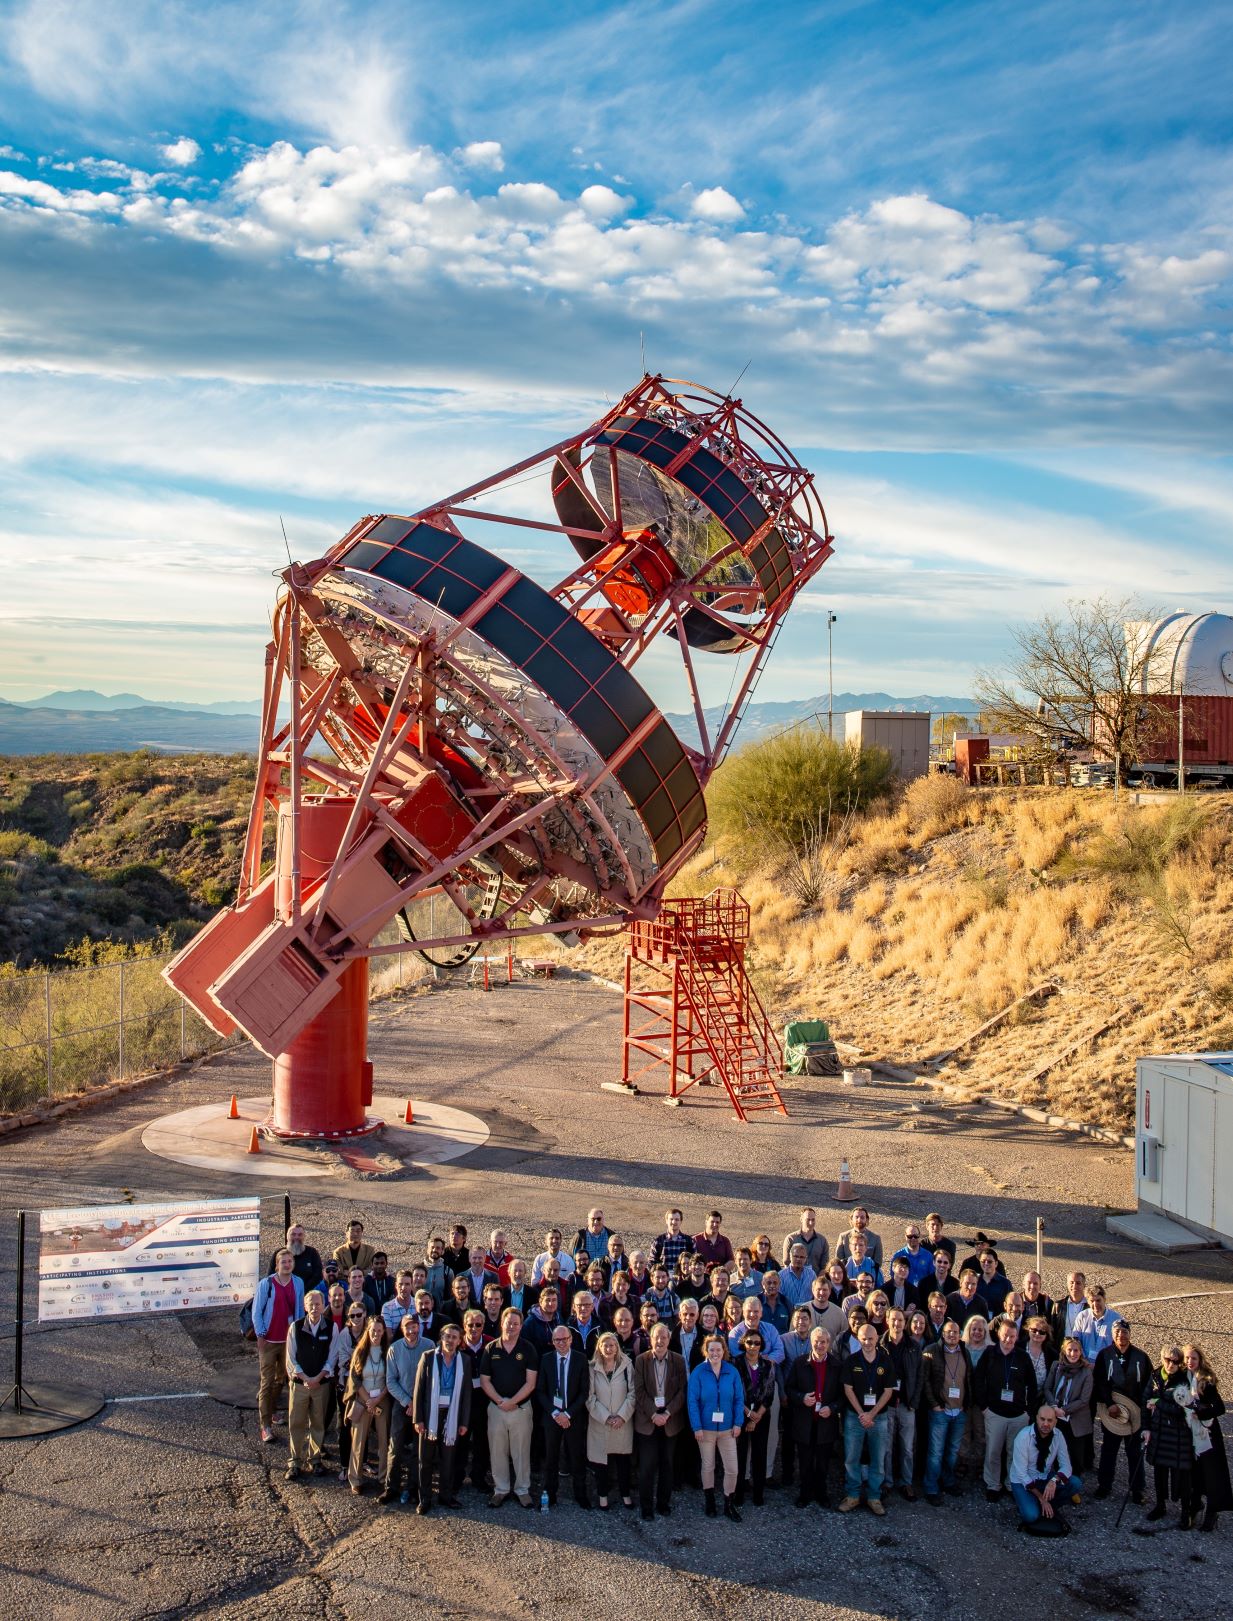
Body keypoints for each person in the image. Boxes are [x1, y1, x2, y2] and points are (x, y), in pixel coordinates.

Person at [479, 1308, 538, 1508]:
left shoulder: (528, 1348)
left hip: (520, 1409)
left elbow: (531, 1383)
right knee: (497, 1450)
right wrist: (500, 1401)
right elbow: (485, 1380)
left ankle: (522, 1490)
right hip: (496, 1408)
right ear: (502, 1323)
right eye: (508, 1322)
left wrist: (513, 1402)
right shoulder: (491, 1348)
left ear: (521, 1326)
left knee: (521, 1451)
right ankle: (501, 1489)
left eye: (515, 1323)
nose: (511, 1326)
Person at [974, 1317, 1036, 1500]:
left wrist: (1029, 1412)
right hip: (994, 1412)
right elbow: (978, 1380)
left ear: (1017, 1337)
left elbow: (1032, 1385)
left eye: (1012, 1336)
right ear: (999, 1335)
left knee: (1014, 1452)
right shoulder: (990, 1353)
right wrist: (984, 1407)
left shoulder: (1023, 1357)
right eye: (1006, 1336)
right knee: (993, 1451)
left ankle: (1011, 1484)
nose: (1009, 1340)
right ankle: (993, 1484)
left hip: (1018, 1415)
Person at [412, 1321, 470, 1513]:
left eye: (455, 1337)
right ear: (441, 1337)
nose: (450, 1340)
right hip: (430, 1415)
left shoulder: (465, 1361)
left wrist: (463, 1421)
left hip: (451, 1416)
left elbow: (466, 1394)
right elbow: (419, 1389)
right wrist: (418, 1419)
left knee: (448, 1459)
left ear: (460, 1340)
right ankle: (425, 1499)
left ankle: (445, 1496)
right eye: (447, 1336)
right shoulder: (428, 1357)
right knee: (425, 1459)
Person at [1093, 1316, 1152, 1501]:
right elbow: (1100, 1382)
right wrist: (1109, 1404)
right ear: (1112, 1334)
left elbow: (1148, 1385)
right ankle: (1104, 1485)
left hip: (1134, 1410)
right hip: (1112, 1410)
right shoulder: (1104, 1355)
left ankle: (1137, 1489)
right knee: (1109, 1449)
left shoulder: (1141, 1357)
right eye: (1117, 1332)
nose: (1121, 1335)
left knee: (1134, 1452)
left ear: (1130, 1334)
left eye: (1125, 1332)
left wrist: (1143, 1410)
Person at [839, 1321, 895, 1515]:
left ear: (877, 1338)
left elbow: (888, 1391)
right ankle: (853, 1495)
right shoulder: (852, 1361)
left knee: (878, 1459)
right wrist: (862, 1413)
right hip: (855, 1417)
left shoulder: (885, 1361)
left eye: (871, 1338)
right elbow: (847, 1389)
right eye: (863, 1338)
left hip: (878, 1417)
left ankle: (874, 1497)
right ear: (859, 1339)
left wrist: (871, 1414)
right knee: (851, 1458)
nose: (868, 1342)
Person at [687, 1333, 744, 1521]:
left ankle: (729, 1503)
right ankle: (709, 1500)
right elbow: (692, 1401)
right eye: (711, 1349)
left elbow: (738, 1399)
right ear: (706, 1350)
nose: (715, 1353)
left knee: (732, 1469)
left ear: (724, 1351)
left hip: (728, 1429)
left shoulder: (731, 1371)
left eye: (718, 1349)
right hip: (706, 1429)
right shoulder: (698, 1372)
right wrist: (697, 1427)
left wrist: (738, 1423)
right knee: (708, 1466)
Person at [634, 1321, 687, 1520]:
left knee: (667, 1465)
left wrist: (667, 1414)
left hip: (670, 1422)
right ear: (651, 1339)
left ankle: (663, 1504)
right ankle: (646, 1507)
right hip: (648, 1422)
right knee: (647, 1466)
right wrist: (653, 1414)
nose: (660, 1341)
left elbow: (682, 1391)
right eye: (657, 1337)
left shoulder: (678, 1360)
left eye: (664, 1337)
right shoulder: (641, 1360)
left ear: (669, 1339)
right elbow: (639, 1391)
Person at [787, 1326, 842, 1507]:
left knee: (823, 1463)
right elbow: (789, 1389)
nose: (820, 1345)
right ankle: (805, 1493)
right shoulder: (799, 1362)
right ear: (811, 1343)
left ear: (829, 1343)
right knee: (805, 1461)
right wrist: (801, 1398)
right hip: (805, 1421)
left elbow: (843, 1396)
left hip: (826, 1422)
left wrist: (833, 1408)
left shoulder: (836, 1365)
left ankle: (821, 1493)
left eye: (823, 1342)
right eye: (816, 1341)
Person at [254, 1249, 305, 1444]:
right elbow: (257, 1312)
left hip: (288, 1340)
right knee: (266, 1383)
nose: (287, 1264)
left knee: (281, 1379)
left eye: (290, 1261)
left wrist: (298, 1335)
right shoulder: (266, 1284)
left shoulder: (298, 1282)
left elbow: (299, 1309)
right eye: (283, 1261)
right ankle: (265, 1425)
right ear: (277, 1265)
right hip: (269, 1341)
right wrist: (261, 1334)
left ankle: (273, 1410)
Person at [284, 1288, 336, 1481]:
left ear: (323, 1306)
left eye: (318, 1304)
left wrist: (318, 1378)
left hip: (321, 1385)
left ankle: (315, 1460)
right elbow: (290, 1358)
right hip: (299, 1385)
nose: (314, 1308)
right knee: (296, 1423)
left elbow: (332, 1357)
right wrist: (305, 1378)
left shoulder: (331, 1328)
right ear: (305, 1307)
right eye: (311, 1304)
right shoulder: (295, 1327)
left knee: (318, 1422)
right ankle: (295, 1462)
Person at [1181, 1343, 1232, 1533]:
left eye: (1193, 1358)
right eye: (1187, 1358)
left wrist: (1201, 1412)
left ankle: (1212, 1511)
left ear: (1200, 1360)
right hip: (1189, 1431)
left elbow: (1220, 1408)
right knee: (1193, 1471)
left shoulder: (1205, 1381)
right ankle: (1195, 1506)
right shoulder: (1182, 1377)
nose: (1190, 1361)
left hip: (1207, 1433)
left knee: (1211, 1473)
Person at [538, 1323, 591, 1508]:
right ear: (552, 1342)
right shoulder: (545, 1360)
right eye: (557, 1340)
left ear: (571, 1339)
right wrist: (555, 1413)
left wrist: (567, 1414)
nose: (561, 1343)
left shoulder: (580, 1359)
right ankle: (550, 1494)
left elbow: (584, 1392)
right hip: (552, 1417)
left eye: (565, 1339)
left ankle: (581, 1494)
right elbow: (541, 1391)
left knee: (577, 1457)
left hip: (573, 1417)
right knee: (551, 1459)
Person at [921, 1316, 973, 1504]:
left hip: (959, 1411)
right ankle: (931, 1487)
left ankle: (948, 1481)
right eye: (948, 1332)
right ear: (942, 1334)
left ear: (960, 1335)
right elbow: (925, 1380)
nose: (952, 1335)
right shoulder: (932, 1351)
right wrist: (934, 1404)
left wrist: (966, 1405)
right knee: (936, 1451)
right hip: (940, 1411)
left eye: (955, 1332)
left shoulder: (965, 1353)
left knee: (952, 1451)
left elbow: (968, 1379)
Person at [380, 1312, 430, 1505]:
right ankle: (391, 1487)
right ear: (402, 1329)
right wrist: (407, 1401)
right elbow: (391, 1381)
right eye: (407, 1327)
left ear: (419, 1327)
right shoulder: (394, 1349)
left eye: (414, 1326)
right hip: (401, 1405)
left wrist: (416, 1403)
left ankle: (413, 1488)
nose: (411, 1330)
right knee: (396, 1446)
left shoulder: (429, 1346)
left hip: (421, 1406)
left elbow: (431, 1379)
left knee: (419, 1449)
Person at [1008, 1405, 1081, 1529]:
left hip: (1043, 1477)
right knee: (1031, 1516)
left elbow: (1066, 1465)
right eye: (1042, 1419)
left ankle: (1047, 1506)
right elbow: (1021, 1474)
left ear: (1055, 1422)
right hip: (1022, 1482)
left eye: (1050, 1420)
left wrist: (1054, 1480)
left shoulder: (1058, 1435)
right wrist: (1042, 1498)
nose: (1045, 1424)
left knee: (1075, 1483)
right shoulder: (1023, 1437)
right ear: (1036, 1419)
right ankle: (1037, 1503)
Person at [1145, 1344, 1194, 1526]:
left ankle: (1186, 1511)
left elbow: (1181, 1409)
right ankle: (1160, 1505)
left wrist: (1158, 1403)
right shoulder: (1155, 1376)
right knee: (1159, 1472)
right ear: (1162, 1359)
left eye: (1175, 1361)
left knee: (1181, 1475)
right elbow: (1145, 1401)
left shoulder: (1183, 1381)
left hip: (1178, 1435)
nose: (1171, 1364)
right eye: (1168, 1360)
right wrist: (1146, 1428)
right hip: (1158, 1432)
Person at [587, 1330, 636, 1510]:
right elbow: (589, 1397)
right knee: (601, 1463)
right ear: (599, 1348)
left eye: (612, 1345)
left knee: (623, 1461)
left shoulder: (627, 1365)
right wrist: (606, 1417)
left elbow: (633, 1393)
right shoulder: (592, 1368)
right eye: (605, 1345)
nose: (608, 1348)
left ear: (617, 1347)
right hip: (600, 1421)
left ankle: (625, 1494)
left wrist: (622, 1416)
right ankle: (602, 1495)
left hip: (622, 1421)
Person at [345, 1315, 392, 1495]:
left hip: (382, 1399)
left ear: (383, 1332)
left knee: (383, 1440)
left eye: (379, 1331)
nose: (376, 1334)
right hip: (362, 1400)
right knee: (358, 1441)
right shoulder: (360, 1351)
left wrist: (377, 1399)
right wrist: (367, 1401)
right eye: (373, 1330)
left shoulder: (387, 1352)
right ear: (368, 1330)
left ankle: (383, 1477)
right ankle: (355, 1479)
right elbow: (355, 1379)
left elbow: (391, 1378)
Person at [882, 1306, 923, 1501]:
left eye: (900, 1320)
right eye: (893, 1320)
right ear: (887, 1321)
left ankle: (906, 1482)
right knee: (887, 1447)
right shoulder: (880, 1345)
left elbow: (920, 1376)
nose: (897, 1324)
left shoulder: (914, 1347)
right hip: (886, 1404)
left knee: (907, 1447)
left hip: (907, 1404)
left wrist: (914, 1401)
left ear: (904, 1323)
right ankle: (887, 1482)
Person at [732, 1329, 774, 1507]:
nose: (753, 1346)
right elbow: (734, 1393)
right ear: (744, 1343)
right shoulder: (735, 1363)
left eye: (757, 1343)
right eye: (750, 1342)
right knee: (740, 1456)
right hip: (740, 1415)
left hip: (761, 1415)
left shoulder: (768, 1365)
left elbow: (770, 1393)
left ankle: (758, 1494)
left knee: (759, 1455)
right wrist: (748, 1415)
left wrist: (757, 1416)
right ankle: (738, 1493)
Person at [1044, 1337, 1095, 1478]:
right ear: (1064, 1351)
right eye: (1070, 1350)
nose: (1073, 1354)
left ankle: (1073, 1485)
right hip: (1055, 1416)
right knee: (1053, 1450)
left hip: (1075, 1419)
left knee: (1075, 1455)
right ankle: (1050, 1482)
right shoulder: (1056, 1366)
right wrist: (1054, 1406)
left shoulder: (1086, 1372)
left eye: (1076, 1350)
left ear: (1081, 1352)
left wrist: (1064, 1410)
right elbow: (1047, 1388)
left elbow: (1084, 1400)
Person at [1074, 1285, 1124, 1365]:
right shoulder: (1082, 1316)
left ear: (1104, 1299)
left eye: (1098, 1300)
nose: (1095, 1304)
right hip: (1084, 1364)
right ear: (1088, 1302)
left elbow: (1121, 1343)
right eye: (1092, 1301)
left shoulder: (1116, 1319)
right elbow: (1076, 1340)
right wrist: (1083, 1360)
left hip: (1107, 1365)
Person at [271, 1223, 323, 1294]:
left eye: (300, 1234)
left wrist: (302, 1291)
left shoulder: (312, 1253)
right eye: (293, 1234)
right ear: (287, 1236)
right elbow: (271, 1275)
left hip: (307, 1295)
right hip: (282, 1294)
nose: (296, 1237)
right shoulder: (278, 1253)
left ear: (304, 1236)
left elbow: (318, 1275)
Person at [782, 1208, 830, 1274]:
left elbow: (825, 1267)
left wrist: (816, 1282)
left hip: (815, 1281)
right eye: (808, 1220)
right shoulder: (790, 1239)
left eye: (813, 1220)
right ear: (801, 1219)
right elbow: (786, 1263)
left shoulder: (822, 1241)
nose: (811, 1223)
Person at [650, 1208, 696, 1275]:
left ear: (681, 1221)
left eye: (677, 1219)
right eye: (671, 1219)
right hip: (663, 1280)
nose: (674, 1222)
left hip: (683, 1279)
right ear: (666, 1221)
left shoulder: (689, 1241)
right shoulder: (658, 1241)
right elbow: (652, 1263)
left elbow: (694, 1261)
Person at [1050, 1271, 1088, 1347]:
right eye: (1071, 1282)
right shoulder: (1058, 1305)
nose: (1074, 1286)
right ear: (1067, 1284)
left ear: (1084, 1285)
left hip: (1083, 1350)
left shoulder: (1090, 1306)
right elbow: (1052, 1329)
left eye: (1078, 1283)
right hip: (1062, 1350)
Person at [890, 1224, 933, 1290]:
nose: (913, 1238)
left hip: (923, 1293)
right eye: (910, 1236)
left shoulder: (928, 1256)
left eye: (915, 1236)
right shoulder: (898, 1256)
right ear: (905, 1237)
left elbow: (932, 1277)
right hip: (904, 1293)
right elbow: (893, 1277)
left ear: (920, 1236)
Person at [1022, 1315, 1056, 1397]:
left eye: (1042, 1332)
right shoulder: (1018, 1348)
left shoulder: (1052, 1354)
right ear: (1028, 1330)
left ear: (1046, 1335)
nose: (1037, 1334)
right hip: (1019, 1394)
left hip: (1040, 1397)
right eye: (1034, 1330)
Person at [777, 1243, 817, 1311]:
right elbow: (778, 1298)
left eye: (802, 1257)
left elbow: (816, 1295)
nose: (798, 1259)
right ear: (790, 1256)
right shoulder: (781, 1275)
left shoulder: (811, 1275)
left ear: (806, 1258)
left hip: (807, 1314)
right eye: (796, 1256)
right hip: (788, 1314)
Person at [807, 1276, 848, 1342]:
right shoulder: (803, 1311)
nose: (821, 1293)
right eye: (818, 1289)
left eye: (825, 1290)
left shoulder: (839, 1313)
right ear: (813, 1290)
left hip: (831, 1352)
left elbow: (845, 1338)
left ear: (830, 1291)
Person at [973, 1248, 1011, 1315]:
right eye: (983, 1261)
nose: (986, 1264)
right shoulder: (974, 1281)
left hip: (998, 1322)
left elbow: (1010, 1304)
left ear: (996, 1263)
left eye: (989, 1261)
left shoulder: (1005, 1283)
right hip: (978, 1322)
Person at [381, 1270, 415, 1337]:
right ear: (396, 1285)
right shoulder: (387, 1307)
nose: (403, 1288)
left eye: (407, 1284)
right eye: (400, 1284)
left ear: (412, 1285)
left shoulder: (418, 1304)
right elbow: (388, 1337)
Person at [423, 1236, 452, 1307]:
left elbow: (451, 1295)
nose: (434, 1250)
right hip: (422, 1309)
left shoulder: (447, 1271)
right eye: (432, 1247)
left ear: (442, 1251)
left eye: (438, 1248)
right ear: (427, 1250)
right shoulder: (420, 1269)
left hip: (440, 1312)